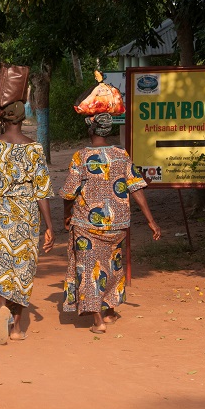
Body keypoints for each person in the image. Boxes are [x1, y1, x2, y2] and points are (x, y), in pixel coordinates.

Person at [60, 112, 161, 334]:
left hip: (88, 224)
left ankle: (98, 321)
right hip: (118, 225)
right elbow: (136, 188)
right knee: (112, 265)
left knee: (89, 269)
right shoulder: (120, 154)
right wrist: (151, 221)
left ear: (90, 131)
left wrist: (67, 215)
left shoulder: (81, 157)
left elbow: (69, 192)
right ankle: (111, 311)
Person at [0, 101, 54, 345]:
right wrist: (49, 225)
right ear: (22, 119)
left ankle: (1, 310)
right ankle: (16, 328)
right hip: (26, 218)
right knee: (22, 269)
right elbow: (42, 190)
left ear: (3, 119)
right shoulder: (35, 149)